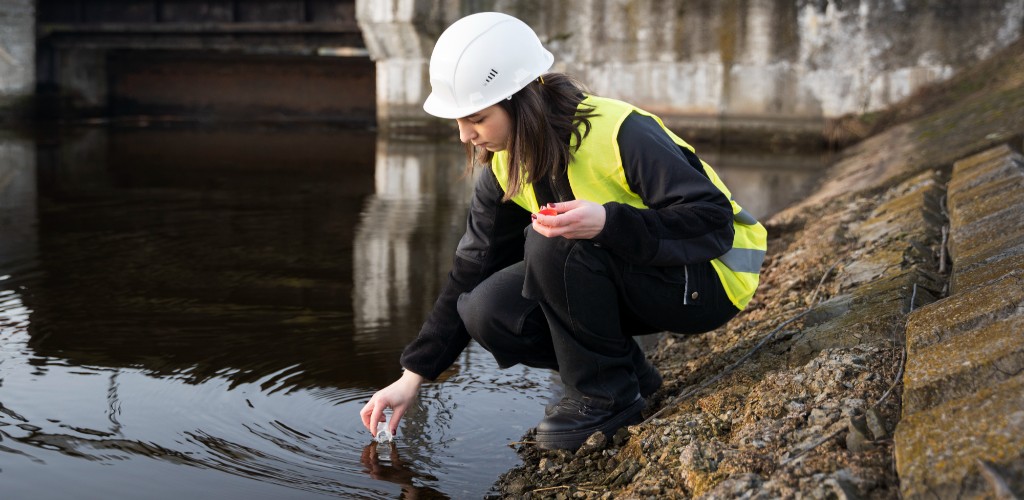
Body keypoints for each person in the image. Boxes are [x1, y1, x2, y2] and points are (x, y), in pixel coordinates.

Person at [359, 12, 767, 451]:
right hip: (643, 275)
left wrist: (610, 222)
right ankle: (628, 376)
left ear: (519, 100)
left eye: (475, 117)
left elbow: (712, 221)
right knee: (485, 310)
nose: (465, 136)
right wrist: (412, 376)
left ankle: (603, 398)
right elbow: (470, 270)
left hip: (708, 280)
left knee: (553, 242)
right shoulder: (504, 165)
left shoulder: (620, 133)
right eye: (458, 121)